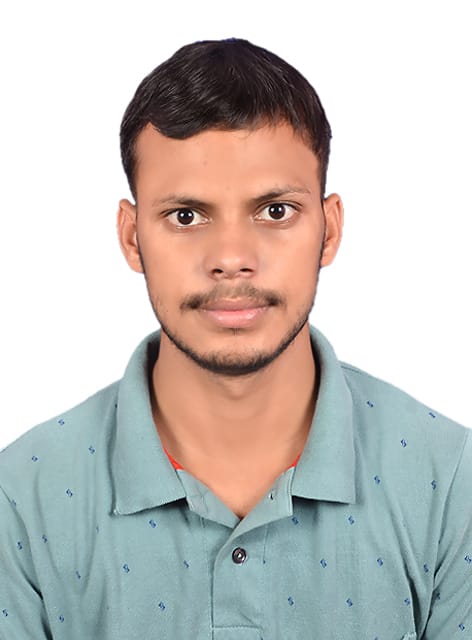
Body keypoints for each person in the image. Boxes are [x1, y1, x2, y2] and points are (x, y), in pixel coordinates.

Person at [0, 38, 470, 640]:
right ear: (132, 237)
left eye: (275, 211)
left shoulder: (452, 484)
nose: (230, 258)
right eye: (186, 216)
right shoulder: (20, 499)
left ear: (329, 231)